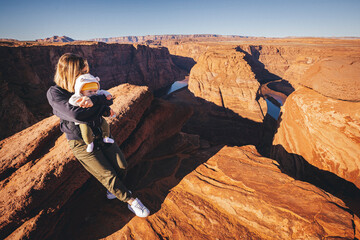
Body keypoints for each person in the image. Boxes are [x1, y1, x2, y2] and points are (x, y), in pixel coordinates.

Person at [46, 53, 150, 217]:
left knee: (121, 166)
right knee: (107, 174)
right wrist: (98, 102)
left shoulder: (85, 85)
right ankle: (131, 200)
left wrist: (95, 101)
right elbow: (76, 115)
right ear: (71, 73)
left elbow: (107, 99)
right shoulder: (55, 93)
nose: (86, 75)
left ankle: (113, 191)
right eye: (82, 71)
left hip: (100, 134)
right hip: (81, 142)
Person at [69, 73, 115, 152]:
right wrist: (79, 102)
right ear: (81, 91)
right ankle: (90, 143)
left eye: (94, 91)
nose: (93, 93)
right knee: (86, 132)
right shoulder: (79, 97)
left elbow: (103, 92)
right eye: (89, 92)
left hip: (97, 117)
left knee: (105, 125)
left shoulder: (96, 93)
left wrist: (108, 95)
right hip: (84, 121)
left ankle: (106, 137)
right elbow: (72, 101)